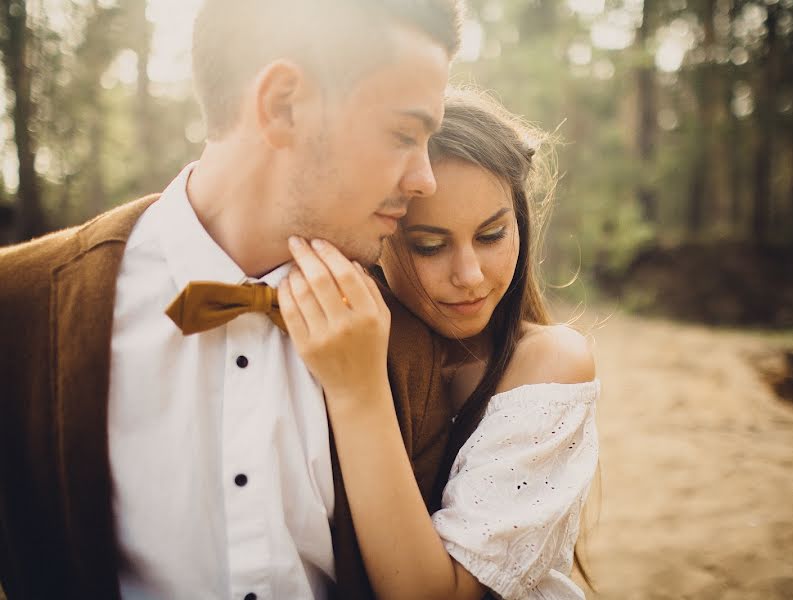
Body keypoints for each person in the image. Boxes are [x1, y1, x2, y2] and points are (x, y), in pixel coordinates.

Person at [0, 1, 463, 598]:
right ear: (282, 105)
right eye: (404, 134)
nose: (425, 179)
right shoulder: (20, 310)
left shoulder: (411, 335)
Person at [278, 89, 601, 600]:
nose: (469, 276)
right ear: (377, 237)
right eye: (430, 245)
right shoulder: (347, 339)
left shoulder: (549, 364)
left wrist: (358, 392)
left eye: (492, 235)